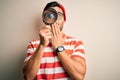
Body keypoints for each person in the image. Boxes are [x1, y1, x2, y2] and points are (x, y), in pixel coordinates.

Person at [23, 1, 86, 80]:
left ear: (64, 20)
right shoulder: (33, 44)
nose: (55, 19)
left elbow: (79, 77)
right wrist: (41, 45)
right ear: (44, 19)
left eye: (59, 15)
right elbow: (27, 77)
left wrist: (59, 47)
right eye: (50, 15)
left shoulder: (75, 43)